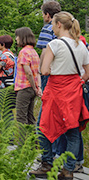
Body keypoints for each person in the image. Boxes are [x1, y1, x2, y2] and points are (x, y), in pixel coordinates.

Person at [29, 12, 89, 179]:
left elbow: (45, 70)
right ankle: (68, 170)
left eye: (53, 25)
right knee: (72, 129)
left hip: (56, 90)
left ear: (59, 25)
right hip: (73, 91)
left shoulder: (54, 44)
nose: (52, 28)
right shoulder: (81, 45)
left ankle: (47, 163)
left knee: (43, 126)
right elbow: (87, 73)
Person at [36, 0, 63, 162]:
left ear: (47, 15)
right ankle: (58, 151)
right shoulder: (66, 28)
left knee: (46, 115)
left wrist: (40, 72)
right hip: (64, 74)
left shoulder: (48, 28)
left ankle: (48, 155)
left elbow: (45, 52)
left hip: (50, 75)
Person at [14, 27, 41, 125]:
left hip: (24, 87)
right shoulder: (34, 52)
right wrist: (38, 88)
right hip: (32, 88)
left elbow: (28, 72)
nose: (16, 39)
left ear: (22, 37)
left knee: (21, 118)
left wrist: (34, 87)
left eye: (17, 36)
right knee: (30, 117)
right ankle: (33, 139)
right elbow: (37, 72)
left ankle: (23, 140)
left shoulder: (23, 52)